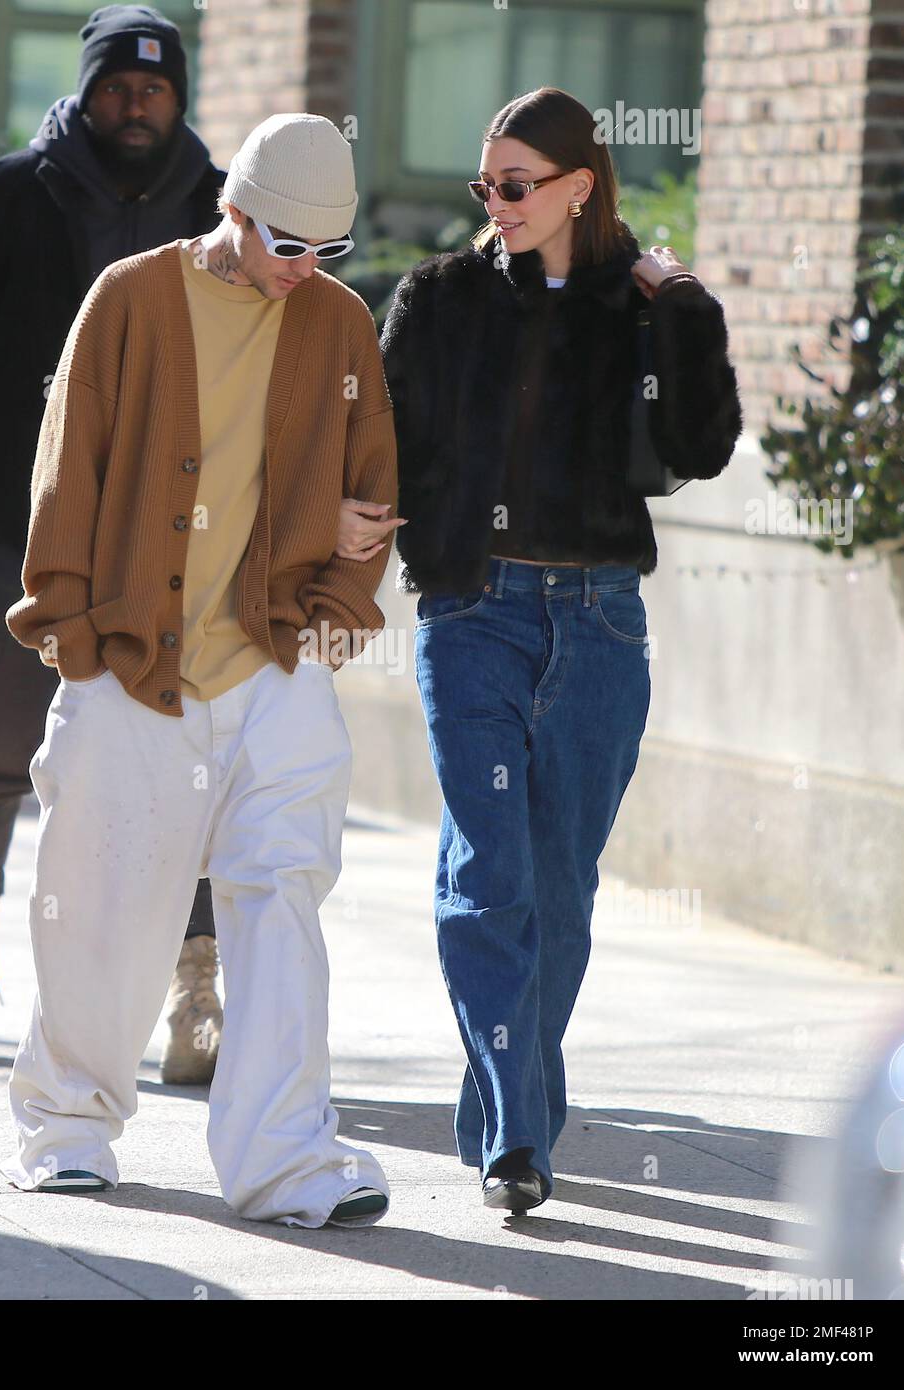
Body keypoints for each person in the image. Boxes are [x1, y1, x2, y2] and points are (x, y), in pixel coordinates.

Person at [0, 114, 397, 1228]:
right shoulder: (130, 298)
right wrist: (72, 637)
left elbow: (371, 483)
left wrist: (333, 615)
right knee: (104, 906)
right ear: (234, 210)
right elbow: (66, 467)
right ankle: (67, 1130)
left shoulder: (338, 322)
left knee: (282, 899)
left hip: (275, 661)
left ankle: (286, 1159)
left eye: (326, 250)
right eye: (285, 245)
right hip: (132, 659)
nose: (302, 269)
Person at [355, 86, 742, 1214]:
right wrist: (354, 527)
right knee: (491, 874)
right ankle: (519, 1136)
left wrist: (683, 306)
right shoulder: (439, 297)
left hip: (600, 621)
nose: (497, 203)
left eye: (518, 184)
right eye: (486, 185)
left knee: (559, 890)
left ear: (579, 186)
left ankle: (500, 1108)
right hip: (474, 613)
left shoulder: (636, 307)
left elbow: (701, 447)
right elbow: (377, 436)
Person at [0, 5, 228, 1081]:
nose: (136, 106)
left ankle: (196, 987)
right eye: (117, 86)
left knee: (191, 754)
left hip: (174, 536)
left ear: (179, 98)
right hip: (10, 529)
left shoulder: (221, 214)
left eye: (154, 89)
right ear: (86, 91)